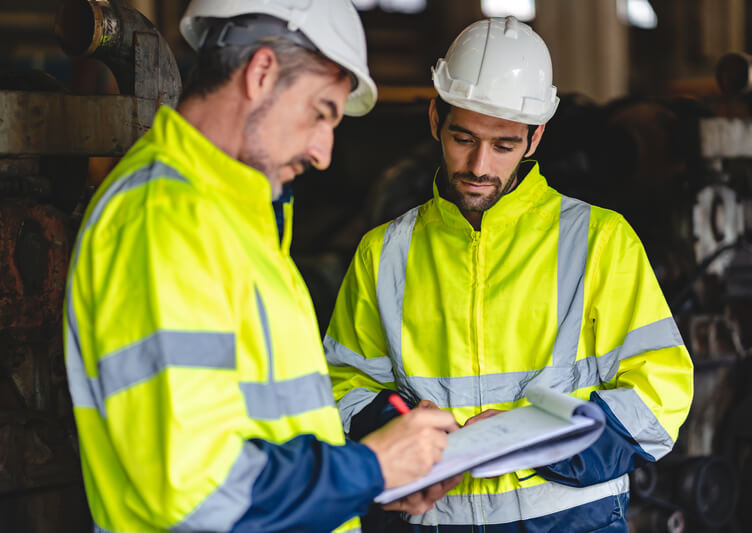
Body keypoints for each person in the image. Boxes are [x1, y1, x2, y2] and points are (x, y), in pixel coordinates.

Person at [62, 1, 460, 532]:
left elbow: (264, 431)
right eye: (321, 112)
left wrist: (382, 466)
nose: (324, 152)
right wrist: (370, 468)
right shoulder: (164, 222)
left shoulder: (234, 218)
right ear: (262, 72)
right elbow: (200, 493)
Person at [324, 16, 694, 532]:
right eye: (463, 137)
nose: (479, 165)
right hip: (437, 521)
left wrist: (534, 438)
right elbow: (345, 387)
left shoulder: (599, 241)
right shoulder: (384, 253)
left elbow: (659, 397)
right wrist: (403, 428)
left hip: (571, 520)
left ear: (535, 138)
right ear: (435, 118)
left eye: (504, 145)